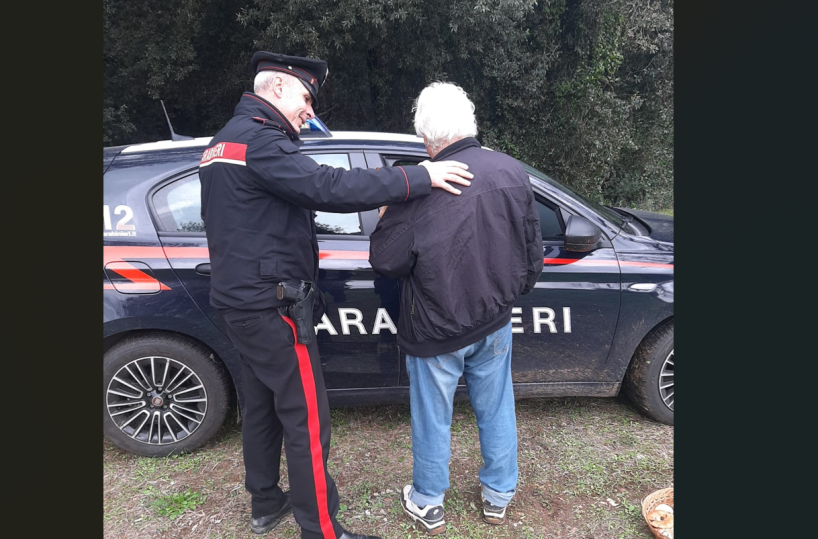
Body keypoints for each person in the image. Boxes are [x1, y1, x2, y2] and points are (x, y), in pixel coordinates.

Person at [199, 53, 473, 539]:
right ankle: (322, 530)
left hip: (238, 301)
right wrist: (418, 177)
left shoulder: (225, 142)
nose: (309, 110)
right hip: (270, 306)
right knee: (305, 418)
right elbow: (328, 186)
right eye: (306, 98)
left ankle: (265, 502)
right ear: (278, 88)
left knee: (262, 405)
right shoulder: (259, 142)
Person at [368, 82, 544, 534]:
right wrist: (512, 292)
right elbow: (531, 250)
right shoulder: (510, 170)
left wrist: (389, 211)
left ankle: (427, 500)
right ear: (469, 123)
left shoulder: (422, 183)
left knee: (433, 415)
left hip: (435, 329)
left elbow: (386, 261)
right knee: (497, 406)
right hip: (494, 320)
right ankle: (498, 496)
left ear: (426, 138)